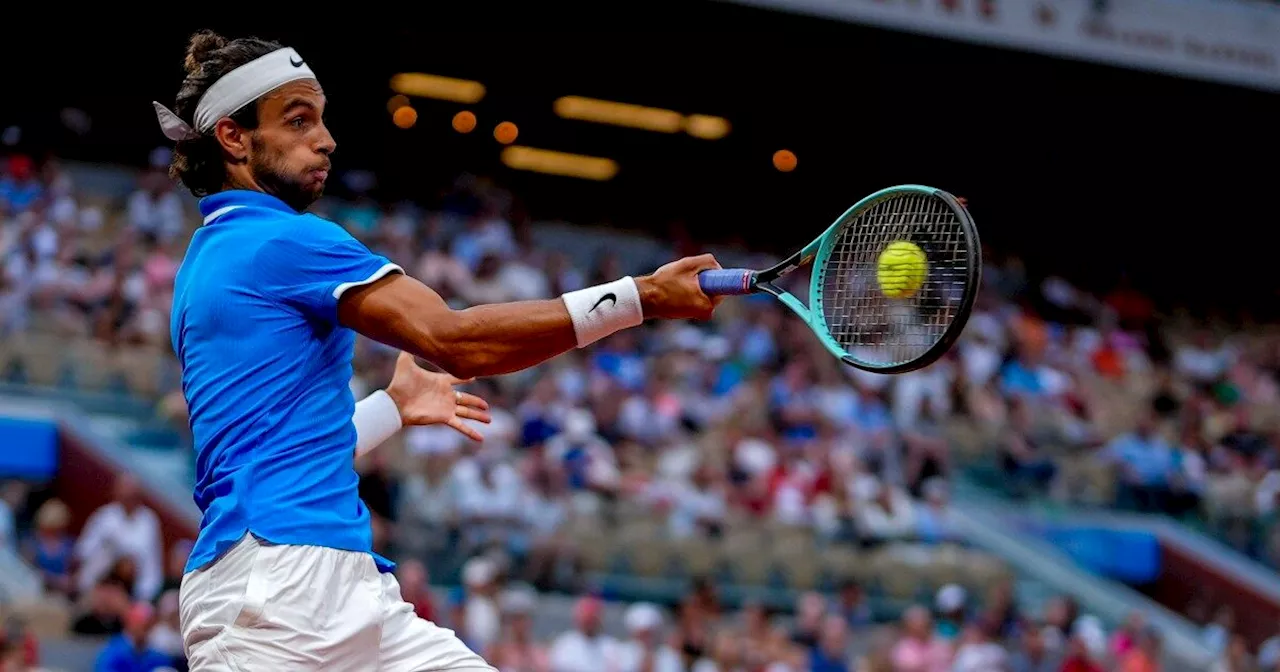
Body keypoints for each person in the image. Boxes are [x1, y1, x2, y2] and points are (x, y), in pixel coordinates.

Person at [154, 30, 722, 671]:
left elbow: (280, 450)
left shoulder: (209, 261)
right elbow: (460, 342)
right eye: (298, 120)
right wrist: (640, 296)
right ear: (233, 137)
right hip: (274, 601)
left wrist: (392, 407)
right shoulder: (282, 242)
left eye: (321, 118)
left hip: (339, 593)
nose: (326, 139)